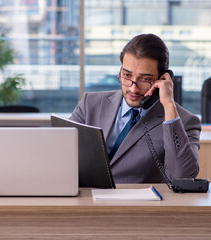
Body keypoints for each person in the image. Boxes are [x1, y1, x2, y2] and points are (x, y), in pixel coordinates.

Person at [70, 33, 201, 183]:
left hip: (136, 205)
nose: (133, 89)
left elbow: (182, 177)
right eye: (127, 75)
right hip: (85, 200)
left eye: (145, 79)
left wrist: (169, 105)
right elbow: (62, 152)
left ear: (163, 78)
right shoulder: (90, 104)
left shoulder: (184, 122)